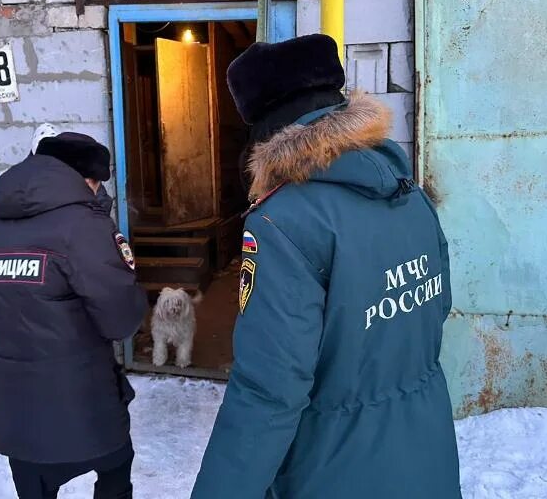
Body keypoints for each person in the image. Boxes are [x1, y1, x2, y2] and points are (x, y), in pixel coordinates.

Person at [191, 34, 461, 499]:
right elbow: (435, 311)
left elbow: (268, 391)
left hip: (335, 471)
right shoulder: (410, 195)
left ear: (263, 132)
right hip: (427, 454)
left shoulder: (282, 222)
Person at [0, 131, 147, 499]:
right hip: (83, 407)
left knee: (34, 487)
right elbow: (122, 320)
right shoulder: (83, 226)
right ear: (88, 179)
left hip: (14, 412)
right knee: (116, 467)